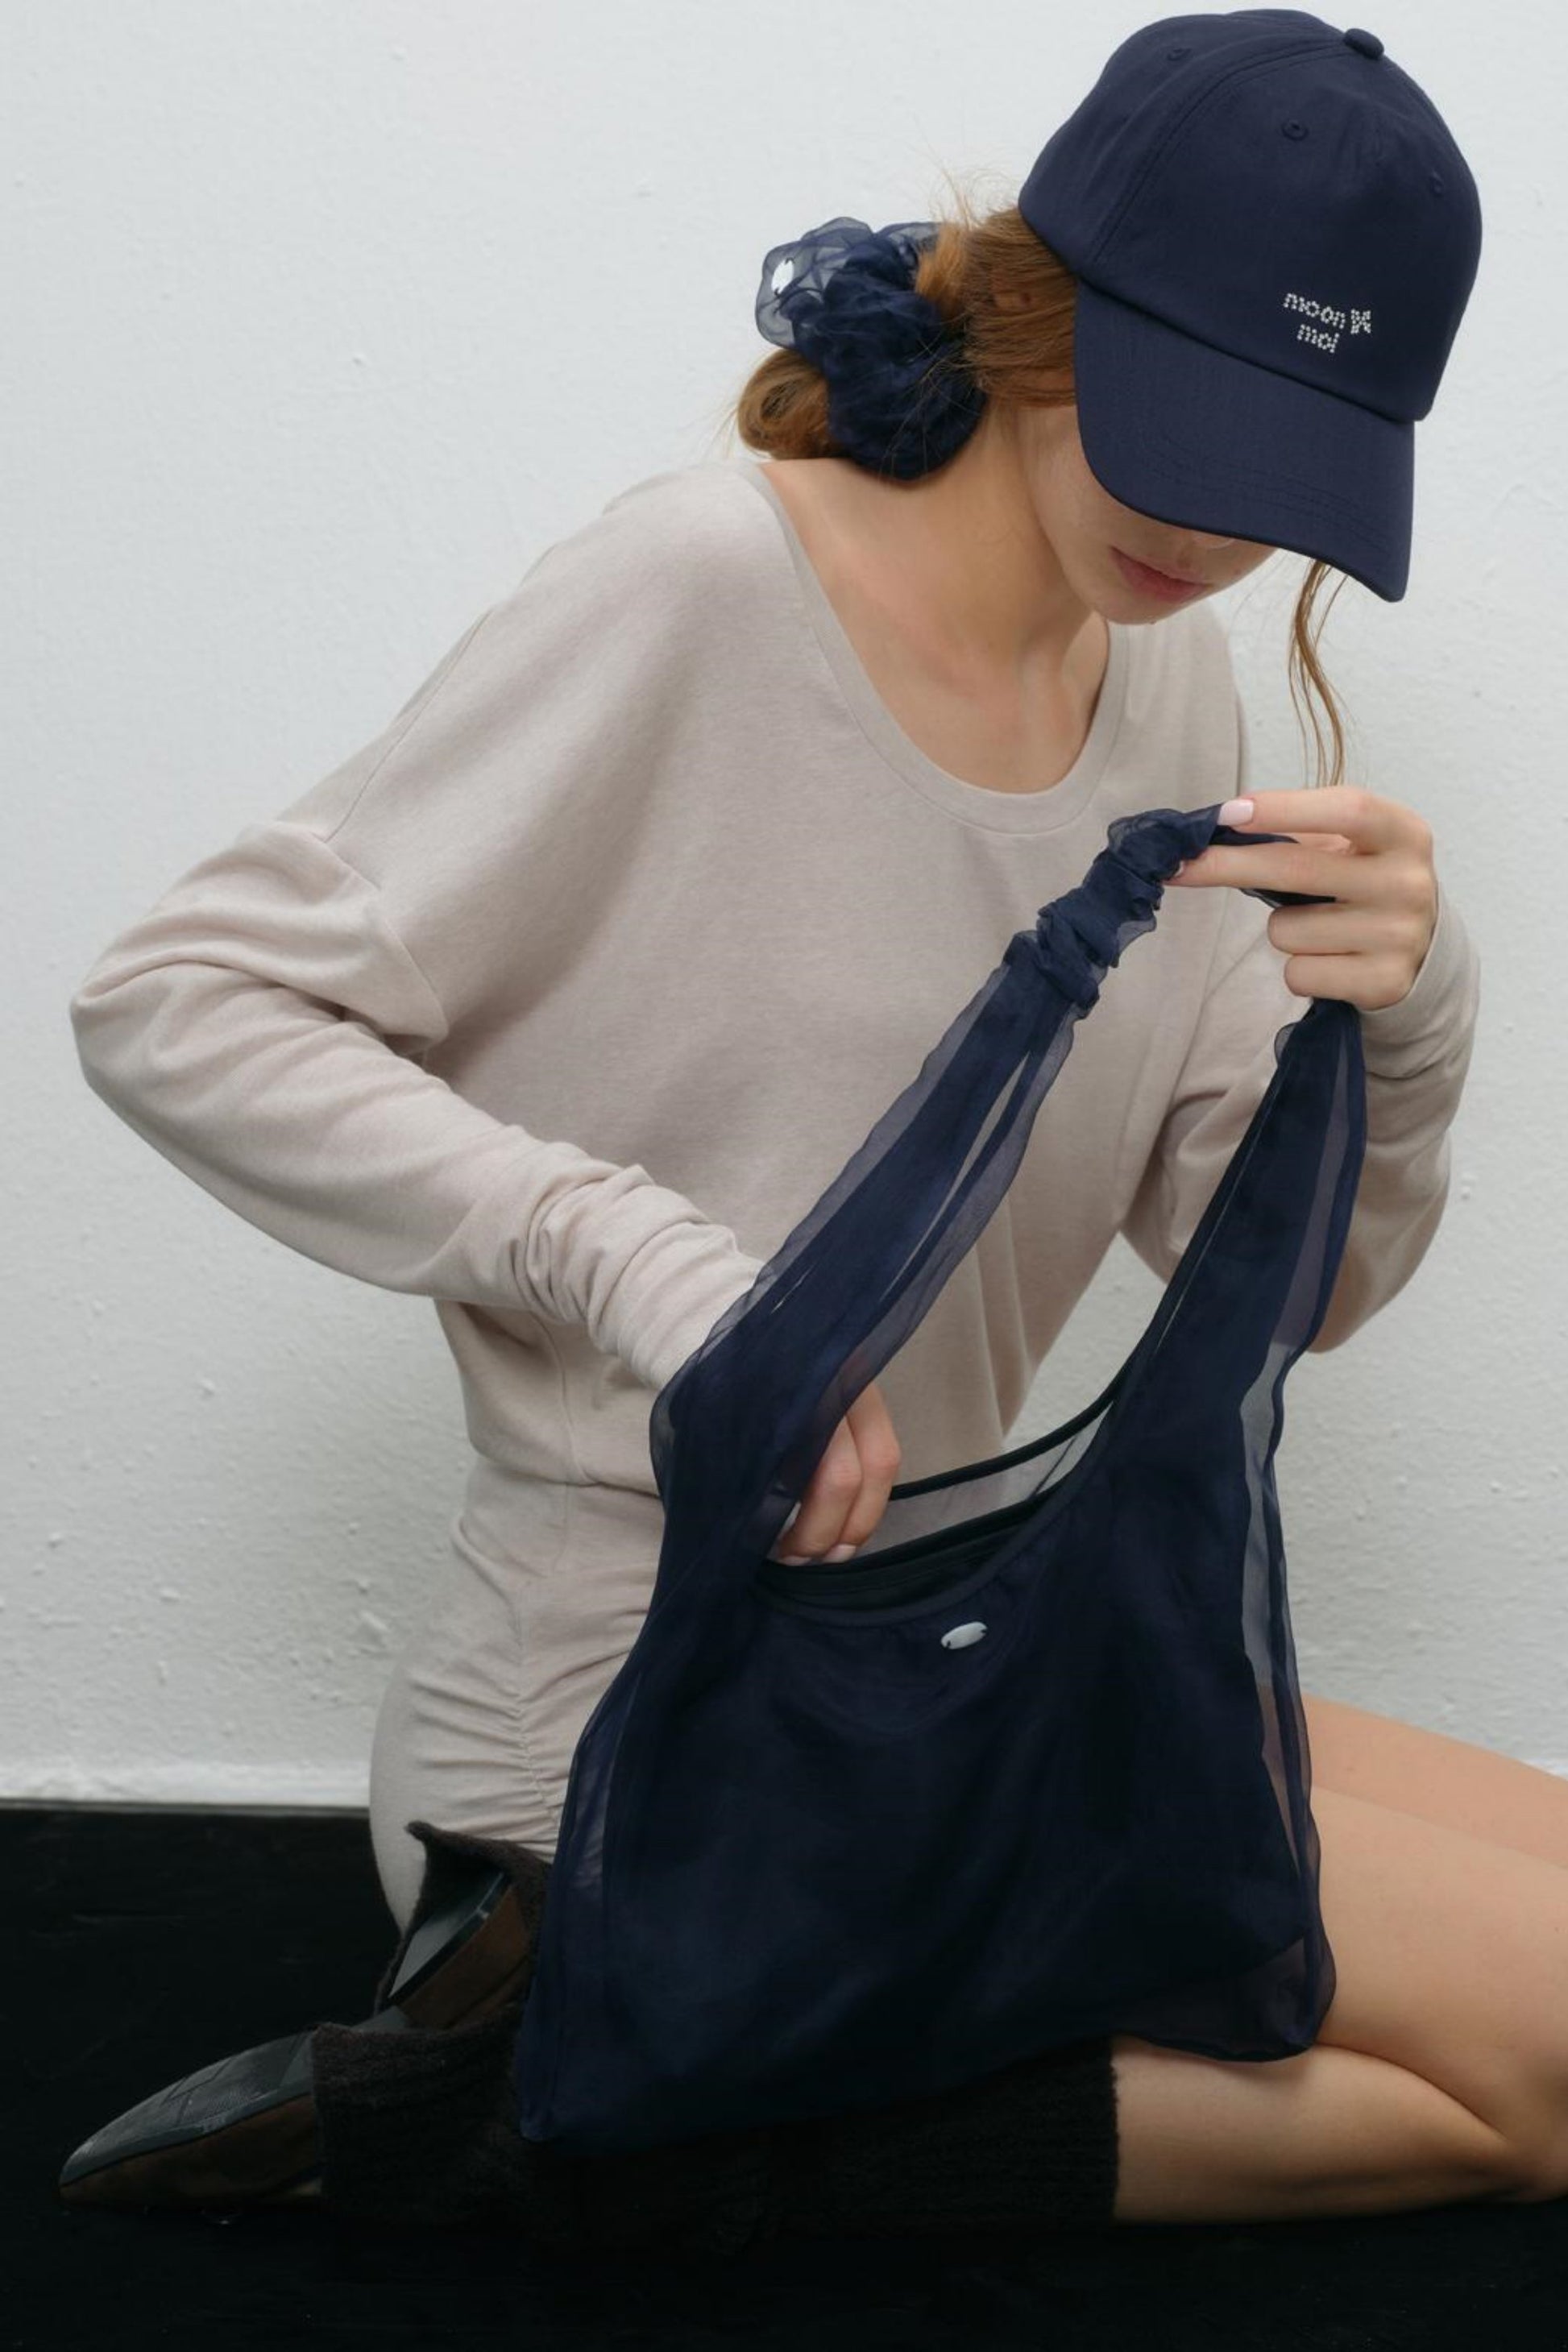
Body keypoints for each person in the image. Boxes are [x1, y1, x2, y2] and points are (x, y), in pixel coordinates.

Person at [64, 10, 1565, 2249]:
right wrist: (651, 1267)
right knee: (1545, 2058)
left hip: (952, 1656)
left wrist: (1411, 1015)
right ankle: (577, 2027)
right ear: (1039, 309)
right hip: (638, 1725)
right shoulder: (698, 585)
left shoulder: (1168, 673)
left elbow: (1288, 1287)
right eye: (1191, 431)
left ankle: (589, 2117)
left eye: (1294, 472)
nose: (1225, 526)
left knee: (1538, 2019)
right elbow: (174, 1001)